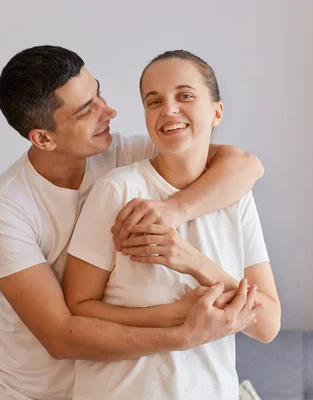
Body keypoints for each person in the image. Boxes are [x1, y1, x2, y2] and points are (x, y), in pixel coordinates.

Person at [0, 45, 266, 400]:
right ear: (43, 138)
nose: (109, 112)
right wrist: (183, 331)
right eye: (86, 112)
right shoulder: (5, 209)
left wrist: (175, 211)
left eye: (99, 94)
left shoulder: (122, 154)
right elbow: (62, 335)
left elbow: (245, 165)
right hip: (31, 394)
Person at [63, 50, 281, 400]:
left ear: (217, 112)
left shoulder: (237, 198)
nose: (169, 110)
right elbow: (78, 309)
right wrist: (175, 317)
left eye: (185, 96)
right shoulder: (118, 191)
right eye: (154, 101)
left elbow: (268, 325)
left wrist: (193, 261)